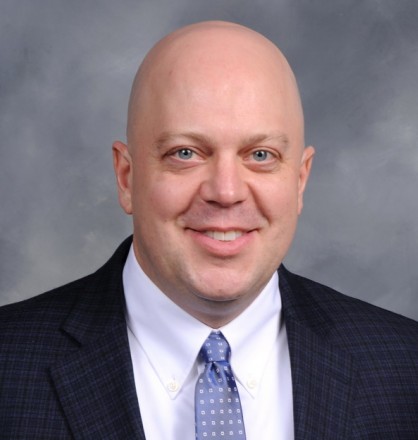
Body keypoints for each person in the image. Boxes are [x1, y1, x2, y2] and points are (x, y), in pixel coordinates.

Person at [0, 21, 417, 440]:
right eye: (185, 153)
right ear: (127, 178)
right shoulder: (9, 367)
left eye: (260, 155)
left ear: (300, 180)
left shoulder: (405, 367)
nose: (226, 192)